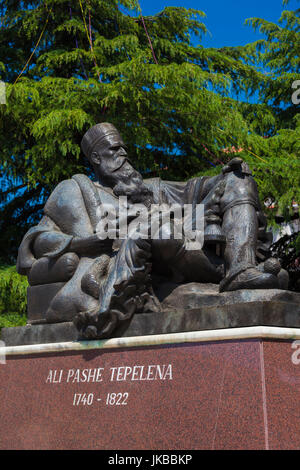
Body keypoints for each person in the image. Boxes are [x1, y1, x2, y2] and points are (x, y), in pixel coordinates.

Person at [17, 123, 285, 338]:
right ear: (96, 158)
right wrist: (84, 242)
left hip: (195, 254)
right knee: (157, 228)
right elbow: (39, 240)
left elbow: (197, 187)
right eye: (114, 150)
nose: (123, 155)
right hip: (144, 267)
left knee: (237, 181)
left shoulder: (151, 188)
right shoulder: (75, 190)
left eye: (124, 149)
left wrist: (227, 177)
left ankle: (241, 269)